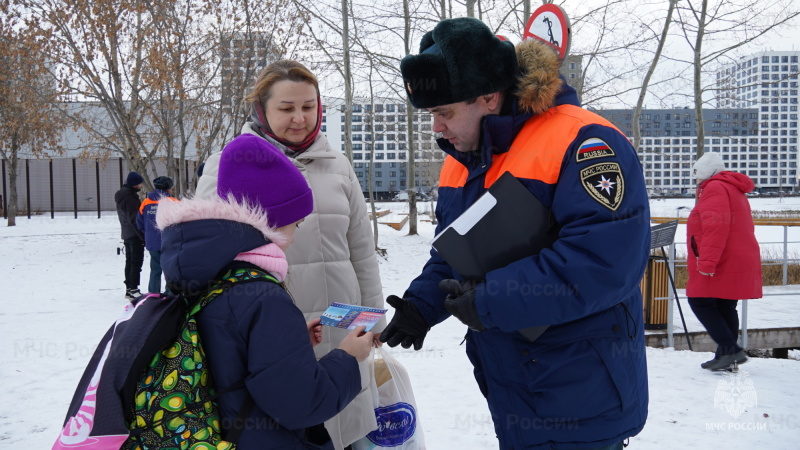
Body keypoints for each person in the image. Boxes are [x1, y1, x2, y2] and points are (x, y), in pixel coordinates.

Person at [380, 18, 650, 449]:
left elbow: (603, 265)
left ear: (488, 96)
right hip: (513, 386)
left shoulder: (585, 142)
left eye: (445, 112)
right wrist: (421, 305)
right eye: (433, 114)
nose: (437, 128)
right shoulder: (460, 160)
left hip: (583, 387)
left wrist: (489, 301)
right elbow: (457, 251)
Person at [196, 60, 384, 449]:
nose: (300, 118)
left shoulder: (339, 166)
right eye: (286, 108)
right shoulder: (230, 166)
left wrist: (372, 315)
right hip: (273, 338)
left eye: (309, 106)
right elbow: (209, 257)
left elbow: (361, 249)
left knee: (347, 428)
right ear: (261, 110)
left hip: (339, 326)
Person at [156, 134, 374, 448]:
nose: (295, 237)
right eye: (295, 225)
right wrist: (348, 358)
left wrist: (289, 341)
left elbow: (230, 351)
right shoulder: (263, 297)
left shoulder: (208, 273)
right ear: (270, 221)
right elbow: (303, 403)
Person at [687, 152, 762, 371]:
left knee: (699, 301)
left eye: (698, 175)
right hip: (736, 255)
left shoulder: (715, 188)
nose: (696, 180)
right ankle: (726, 358)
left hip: (722, 258)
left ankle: (730, 350)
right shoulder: (731, 187)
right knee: (725, 304)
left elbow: (715, 227)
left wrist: (708, 262)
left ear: (708, 173)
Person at [137, 175, 175, 295]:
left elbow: (139, 223)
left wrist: (149, 234)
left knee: (155, 269)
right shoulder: (173, 202)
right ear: (167, 188)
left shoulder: (146, 202)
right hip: (169, 241)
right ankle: (170, 293)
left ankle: (153, 293)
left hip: (152, 242)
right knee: (170, 270)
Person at [114, 171, 145, 300]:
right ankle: (133, 288)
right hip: (134, 234)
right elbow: (134, 219)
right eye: (139, 183)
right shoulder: (131, 198)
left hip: (126, 233)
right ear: (134, 184)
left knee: (129, 261)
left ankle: (129, 288)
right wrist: (142, 236)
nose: (141, 185)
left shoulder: (122, 195)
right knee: (136, 262)